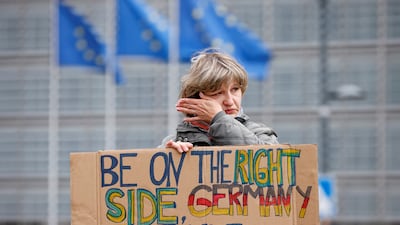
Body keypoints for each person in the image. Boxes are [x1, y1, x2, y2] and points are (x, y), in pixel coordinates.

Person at [160, 49, 278, 153]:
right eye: (218, 93)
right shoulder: (173, 141)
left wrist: (219, 118)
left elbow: (270, 160)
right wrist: (171, 158)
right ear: (196, 97)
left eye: (235, 89)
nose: (230, 101)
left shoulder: (261, 133)